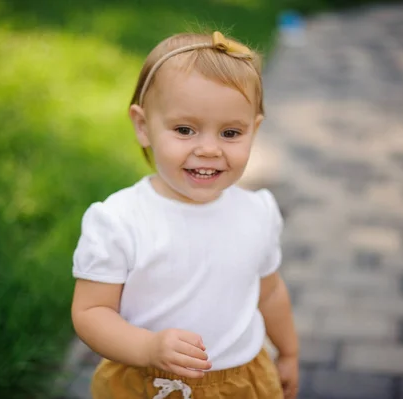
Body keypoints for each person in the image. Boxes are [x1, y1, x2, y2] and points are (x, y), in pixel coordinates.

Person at [70, 30, 299, 399]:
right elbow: (91, 311)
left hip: (242, 380)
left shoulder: (257, 212)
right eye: (184, 129)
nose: (208, 149)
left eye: (230, 132)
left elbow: (269, 293)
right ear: (143, 126)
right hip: (148, 379)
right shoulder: (120, 220)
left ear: (253, 130)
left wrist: (288, 351)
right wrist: (147, 347)